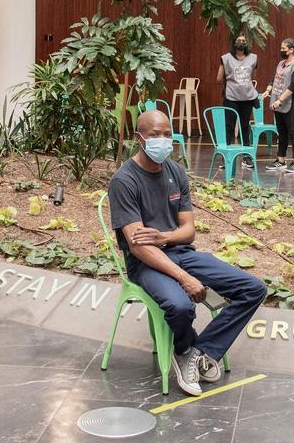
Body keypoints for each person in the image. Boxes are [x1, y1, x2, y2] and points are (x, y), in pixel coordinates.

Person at [108, 110, 267, 396]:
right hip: (145, 263)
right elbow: (139, 246)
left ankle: (198, 352)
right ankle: (183, 348)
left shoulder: (175, 172)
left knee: (253, 288)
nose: (163, 140)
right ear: (139, 138)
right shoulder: (124, 180)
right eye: (155, 135)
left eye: (167, 134)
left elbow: (188, 230)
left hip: (181, 251)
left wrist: (165, 236)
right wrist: (184, 278)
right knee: (181, 306)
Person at [264, 37, 294, 173]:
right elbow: (274, 79)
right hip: (279, 102)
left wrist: (280, 100)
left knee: (293, 131)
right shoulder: (281, 63)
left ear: (291, 50)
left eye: (284, 49)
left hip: (293, 102)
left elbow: (293, 86)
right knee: (281, 131)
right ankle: (280, 160)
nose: (281, 51)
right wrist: (268, 90)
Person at [217, 33, 258, 168]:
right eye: (239, 40)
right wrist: (230, 85)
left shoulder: (253, 58)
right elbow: (219, 78)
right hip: (231, 97)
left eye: (244, 40)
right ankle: (226, 157)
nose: (241, 42)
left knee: (245, 126)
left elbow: (252, 76)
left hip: (247, 97)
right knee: (229, 126)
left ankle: (246, 156)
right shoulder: (226, 58)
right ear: (234, 43)